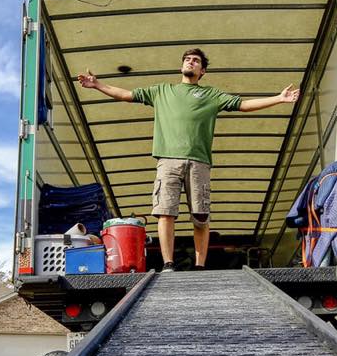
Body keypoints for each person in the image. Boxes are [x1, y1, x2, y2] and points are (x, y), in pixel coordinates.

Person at [78, 48, 299, 272]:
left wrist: (279, 99)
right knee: (165, 212)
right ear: (181, 66)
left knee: (201, 216)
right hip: (168, 161)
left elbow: (243, 105)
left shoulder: (212, 95)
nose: (190, 62)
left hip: (199, 162)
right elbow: (126, 95)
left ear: (202, 70)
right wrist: (97, 85)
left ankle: (200, 265)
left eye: (195, 61)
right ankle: (168, 263)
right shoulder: (162, 90)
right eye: (187, 59)